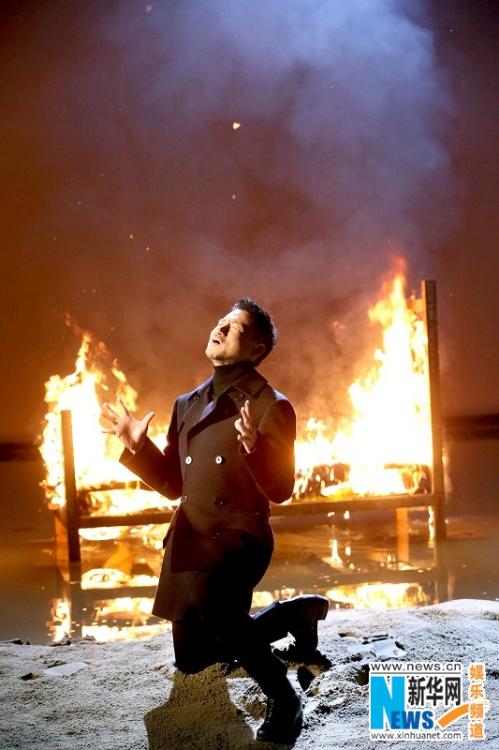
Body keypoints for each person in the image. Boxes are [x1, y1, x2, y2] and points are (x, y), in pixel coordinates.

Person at [102, 297, 329, 744]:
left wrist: (254, 450)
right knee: (195, 659)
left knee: (216, 604)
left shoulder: (271, 405)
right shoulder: (187, 404)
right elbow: (173, 484)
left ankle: (285, 699)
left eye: (236, 327)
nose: (221, 329)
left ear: (258, 349)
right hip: (190, 536)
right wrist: (138, 447)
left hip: (238, 536)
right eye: (221, 321)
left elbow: (281, 489)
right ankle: (294, 613)